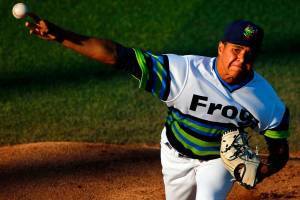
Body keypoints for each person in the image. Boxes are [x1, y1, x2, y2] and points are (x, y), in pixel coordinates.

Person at [24, 13, 290, 200]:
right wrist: (61, 35)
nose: (241, 59)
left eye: (250, 54)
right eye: (236, 49)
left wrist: (262, 172)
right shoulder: (183, 72)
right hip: (175, 154)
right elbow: (116, 55)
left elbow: (279, 149)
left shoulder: (265, 100)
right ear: (220, 48)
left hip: (218, 161)